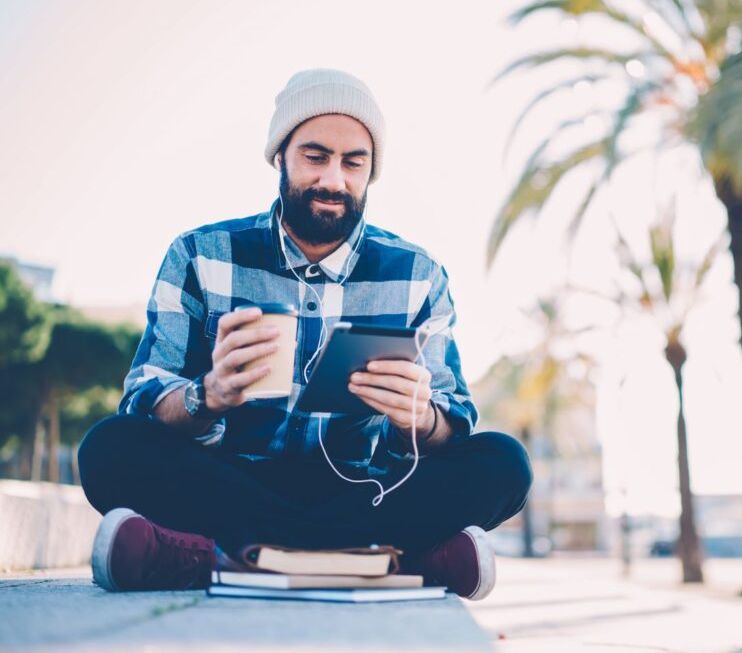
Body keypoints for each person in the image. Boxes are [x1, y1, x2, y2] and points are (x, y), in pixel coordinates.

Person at [77, 69, 532, 601]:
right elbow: (143, 398)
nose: (333, 181)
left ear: (370, 171)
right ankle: (397, 561)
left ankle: (208, 557)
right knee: (107, 449)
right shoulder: (199, 254)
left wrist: (420, 417)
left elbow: (454, 420)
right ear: (281, 157)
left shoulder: (418, 274)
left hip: (362, 491)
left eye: (352, 162)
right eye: (316, 157)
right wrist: (207, 397)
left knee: (505, 463)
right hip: (231, 483)